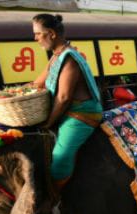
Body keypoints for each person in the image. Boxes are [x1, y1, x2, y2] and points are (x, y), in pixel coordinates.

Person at [30, 14, 103, 192]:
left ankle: (55, 199)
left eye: (38, 34)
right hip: (67, 111)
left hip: (81, 114)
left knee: (60, 157)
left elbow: (63, 98)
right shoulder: (56, 56)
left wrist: (48, 124)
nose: (35, 38)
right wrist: (9, 93)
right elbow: (36, 84)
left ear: (52, 34)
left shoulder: (69, 58)